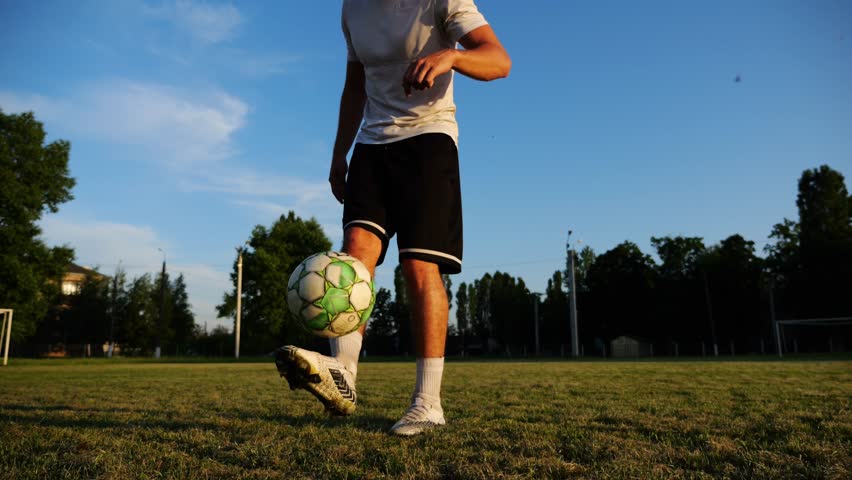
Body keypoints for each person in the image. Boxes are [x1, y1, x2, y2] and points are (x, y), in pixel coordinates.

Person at [275, 0, 510, 436]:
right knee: (355, 254)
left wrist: (453, 56)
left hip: (429, 140)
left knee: (419, 267)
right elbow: (355, 87)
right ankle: (343, 372)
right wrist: (338, 154)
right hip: (370, 146)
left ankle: (428, 403)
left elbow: (499, 60)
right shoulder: (352, 9)